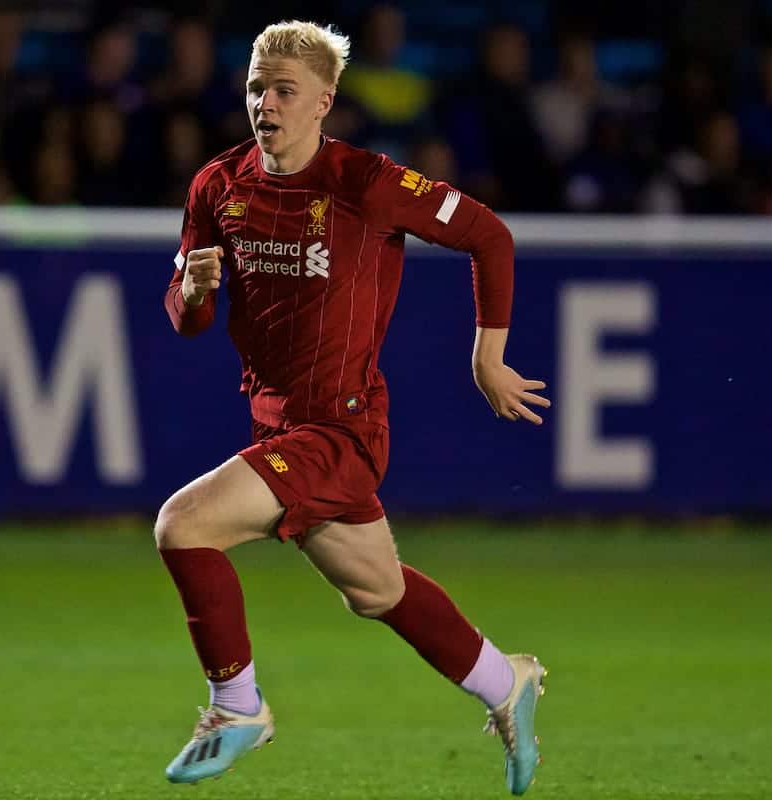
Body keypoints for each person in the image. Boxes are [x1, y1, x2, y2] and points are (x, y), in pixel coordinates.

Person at [157, 20, 550, 794]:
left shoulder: (365, 182)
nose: (264, 103)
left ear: (323, 102)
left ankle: (237, 708)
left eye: (283, 91)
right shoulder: (217, 186)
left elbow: (489, 237)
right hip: (276, 422)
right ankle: (507, 682)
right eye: (254, 89)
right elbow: (186, 314)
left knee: (183, 524)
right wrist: (192, 292)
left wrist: (488, 354)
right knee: (377, 591)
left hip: (341, 428)